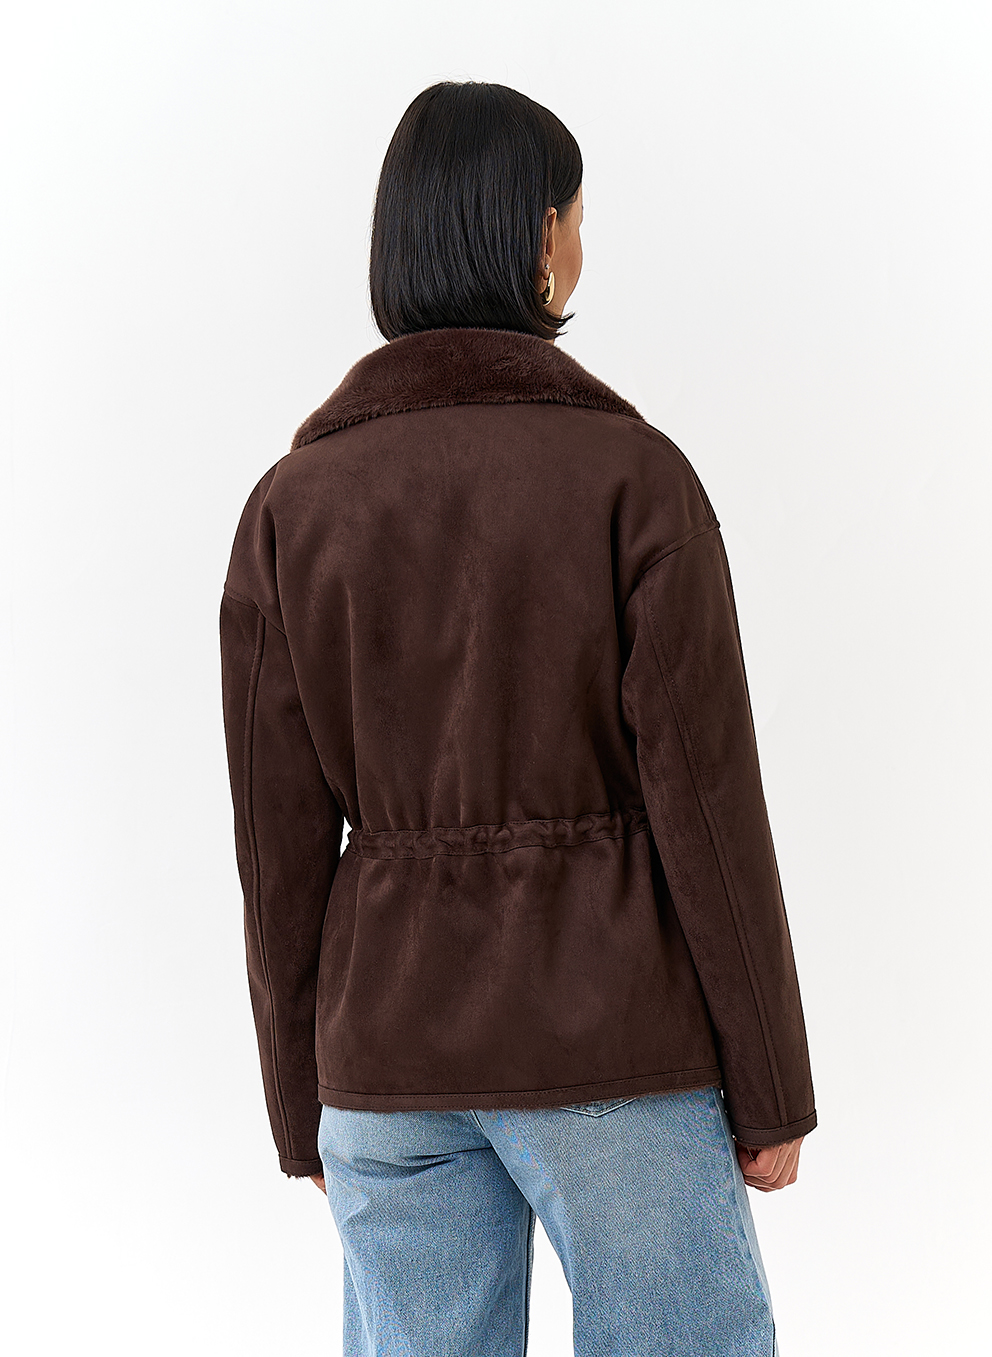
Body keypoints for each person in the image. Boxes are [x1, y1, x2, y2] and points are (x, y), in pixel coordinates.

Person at [219, 79, 816, 1357]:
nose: (581, 246)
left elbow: (275, 849)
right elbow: (708, 806)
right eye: (577, 218)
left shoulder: (291, 506)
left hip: (384, 1057)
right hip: (609, 1040)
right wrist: (770, 1086)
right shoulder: (632, 478)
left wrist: (299, 1098)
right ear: (539, 236)